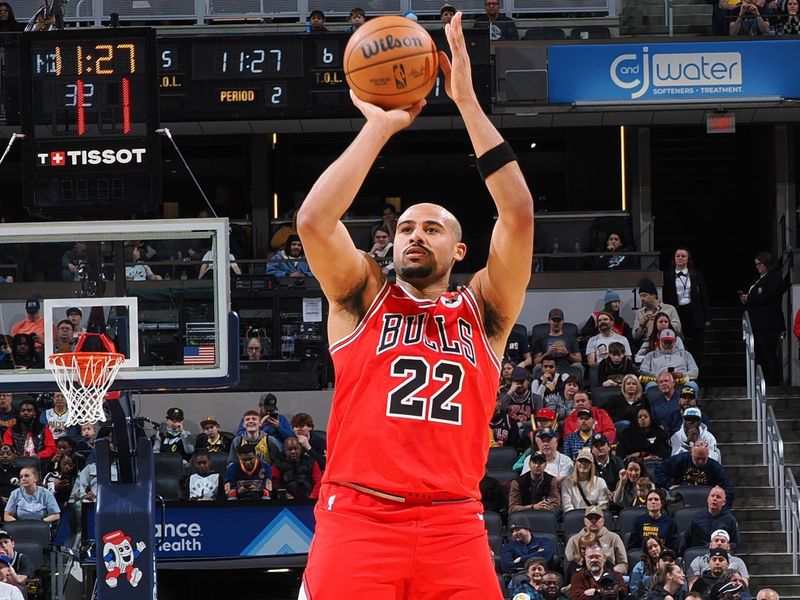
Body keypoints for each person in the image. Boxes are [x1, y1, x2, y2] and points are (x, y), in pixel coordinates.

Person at [296, 13, 534, 597]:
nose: (414, 235)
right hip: (359, 515)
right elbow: (312, 221)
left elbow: (519, 213)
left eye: (431, 228)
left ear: (459, 249)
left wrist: (466, 102)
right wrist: (378, 128)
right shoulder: (361, 297)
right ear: (390, 243)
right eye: (405, 228)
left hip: (453, 522)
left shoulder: (485, 310)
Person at [739, 251, 785, 386]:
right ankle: (762, 380)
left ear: (766, 264)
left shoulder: (774, 278)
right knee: (759, 353)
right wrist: (746, 299)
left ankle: (774, 381)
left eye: (759, 264)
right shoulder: (757, 279)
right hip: (756, 323)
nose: (757, 267)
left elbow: (769, 296)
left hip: (768, 323)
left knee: (768, 352)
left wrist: (751, 298)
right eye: (756, 264)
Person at [662, 248, 711, 366]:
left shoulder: (696, 275)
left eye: (683, 256)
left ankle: (696, 370)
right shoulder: (668, 275)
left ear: (688, 259)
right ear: (674, 258)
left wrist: (707, 317)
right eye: (677, 256)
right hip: (676, 311)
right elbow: (665, 296)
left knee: (696, 344)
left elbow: (703, 296)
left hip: (693, 312)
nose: (680, 258)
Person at [654, 443, 735, 505]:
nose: (700, 462)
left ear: (708, 455)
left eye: (703, 459)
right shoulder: (680, 460)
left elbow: (728, 489)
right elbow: (659, 471)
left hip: (705, 502)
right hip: (680, 500)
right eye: (697, 458)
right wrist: (669, 485)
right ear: (691, 454)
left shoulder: (714, 467)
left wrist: (719, 502)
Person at [565, 507, 627, 574]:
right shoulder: (574, 540)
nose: (593, 521)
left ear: (603, 520)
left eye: (597, 518)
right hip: (581, 576)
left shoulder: (614, 538)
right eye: (590, 518)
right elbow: (567, 565)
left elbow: (623, 565)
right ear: (585, 521)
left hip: (608, 575)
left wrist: (609, 572)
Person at [683, 486, 741, 551]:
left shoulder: (730, 520)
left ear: (724, 502)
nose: (714, 499)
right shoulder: (697, 517)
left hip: (720, 554)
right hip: (699, 553)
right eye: (712, 496)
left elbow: (736, 543)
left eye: (718, 497)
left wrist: (727, 546)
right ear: (708, 499)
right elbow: (687, 539)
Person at [532, 308, 583, 376]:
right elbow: (536, 361)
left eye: (559, 320)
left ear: (563, 321)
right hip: (548, 366)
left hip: (566, 365)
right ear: (549, 321)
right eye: (554, 320)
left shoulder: (571, 338)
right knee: (537, 367)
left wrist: (567, 354)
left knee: (578, 366)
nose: (556, 323)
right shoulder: (541, 339)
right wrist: (547, 354)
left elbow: (579, 360)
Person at [633, 279, 682, 350]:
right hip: (647, 344)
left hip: (668, 342)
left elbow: (678, 330)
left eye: (644, 295)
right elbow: (635, 336)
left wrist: (665, 322)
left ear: (653, 295)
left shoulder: (669, 309)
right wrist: (641, 325)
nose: (642, 299)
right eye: (640, 296)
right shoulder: (639, 313)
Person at [271, 436, 323, 500]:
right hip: (285, 502)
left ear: (300, 449)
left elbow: (318, 482)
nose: (293, 451)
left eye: (296, 449)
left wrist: (312, 498)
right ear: (284, 450)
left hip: (309, 500)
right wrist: (285, 495)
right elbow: (274, 483)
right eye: (289, 449)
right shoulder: (277, 464)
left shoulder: (311, 462)